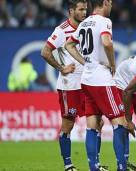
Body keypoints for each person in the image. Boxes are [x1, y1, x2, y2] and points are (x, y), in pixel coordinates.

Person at [65, 0, 129, 170]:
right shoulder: (104, 21)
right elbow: (107, 42)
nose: (112, 6)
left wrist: (85, 62)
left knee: (92, 125)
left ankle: (93, 167)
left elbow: (68, 45)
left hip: (86, 80)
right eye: (111, 3)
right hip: (102, 80)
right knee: (120, 123)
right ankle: (122, 167)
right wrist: (113, 64)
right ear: (106, 2)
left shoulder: (84, 23)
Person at [40, 1, 89, 171]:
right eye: (81, 9)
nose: (84, 12)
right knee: (68, 125)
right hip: (70, 85)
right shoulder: (61, 31)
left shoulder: (87, 27)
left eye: (85, 9)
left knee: (96, 122)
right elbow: (45, 52)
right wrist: (61, 68)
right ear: (71, 11)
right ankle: (68, 165)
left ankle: (95, 165)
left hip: (88, 82)